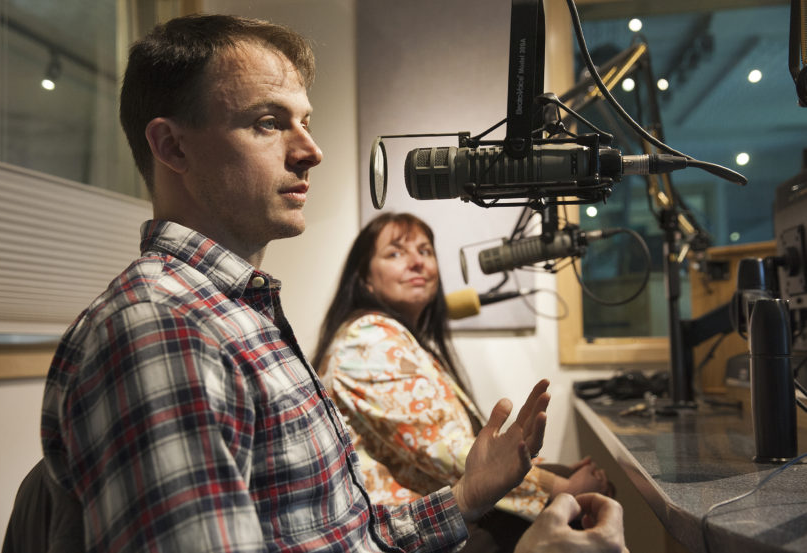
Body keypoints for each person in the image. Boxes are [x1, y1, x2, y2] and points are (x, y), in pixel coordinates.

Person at [38, 13, 625, 553]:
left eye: (307, 123)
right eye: (269, 123)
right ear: (171, 146)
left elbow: (343, 534)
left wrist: (467, 493)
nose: (312, 151)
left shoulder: (236, 312)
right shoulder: (163, 332)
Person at [312, 212, 614, 551]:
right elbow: (444, 449)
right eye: (395, 253)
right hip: (395, 529)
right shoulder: (367, 340)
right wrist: (557, 485)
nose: (417, 262)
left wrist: (543, 467)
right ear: (364, 279)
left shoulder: (396, 338)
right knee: (578, 506)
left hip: (428, 508)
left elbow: (456, 443)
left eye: (425, 251)